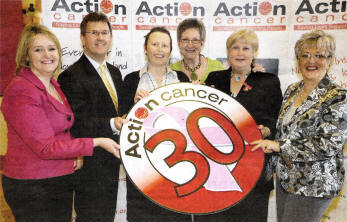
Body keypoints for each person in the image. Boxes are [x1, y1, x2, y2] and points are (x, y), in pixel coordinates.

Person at [1, 24, 120, 222]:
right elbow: (46, 147)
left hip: (58, 181)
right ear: (26, 56)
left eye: (52, 48)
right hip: (32, 186)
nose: (47, 54)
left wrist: (77, 152)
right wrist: (96, 142)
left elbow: (64, 128)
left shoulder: (53, 85)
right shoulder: (21, 90)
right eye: (38, 49)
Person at [251, 30, 347, 222]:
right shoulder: (292, 90)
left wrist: (279, 146)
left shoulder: (337, 96)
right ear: (298, 60)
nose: (312, 61)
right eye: (305, 55)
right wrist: (267, 132)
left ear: (330, 59)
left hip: (315, 185)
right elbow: (285, 130)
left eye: (319, 55)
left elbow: (327, 145)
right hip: (286, 180)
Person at [199, 29, 283, 222]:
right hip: (216, 164)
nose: (240, 52)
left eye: (246, 48)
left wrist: (267, 130)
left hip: (253, 163)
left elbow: (276, 119)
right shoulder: (214, 78)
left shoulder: (268, 81)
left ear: (254, 52)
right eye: (235, 48)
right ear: (228, 52)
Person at [58, 12, 125, 222]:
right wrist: (112, 123)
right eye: (94, 33)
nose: (100, 38)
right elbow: (77, 122)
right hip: (90, 166)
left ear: (111, 38)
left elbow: (118, 111)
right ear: (82, 38)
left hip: (113, 163)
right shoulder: (70, 76)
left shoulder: (115, 72)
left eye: (105, 33)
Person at [123, 26, 191, 222]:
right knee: (143, 215)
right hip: (141, 163)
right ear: (145, 48)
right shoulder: (130, 80)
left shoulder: (182, 79)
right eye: (154, 44)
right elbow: (122, 121)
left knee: (176, 214)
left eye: (165, 45)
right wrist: (134, 108)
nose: (160, 49)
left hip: (178, 160)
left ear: (171, 50)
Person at [169, 18, 225, 83]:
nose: (190, 45)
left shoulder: (217, 68)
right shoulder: (171, 71)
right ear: (179, 42)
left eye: (195, 40)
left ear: (202, 43)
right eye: (185, 40)